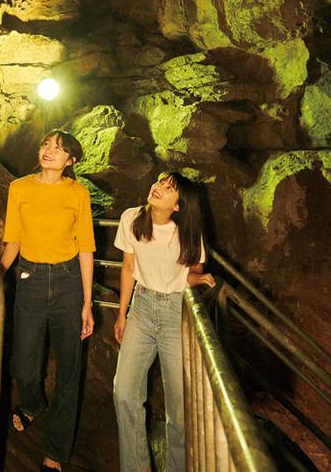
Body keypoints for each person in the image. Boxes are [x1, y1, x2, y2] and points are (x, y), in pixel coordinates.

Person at [0, 129, 96, 472]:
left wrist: (87, 303)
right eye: (45, 144)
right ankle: (32, 403)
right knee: (23, 362)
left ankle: (54, 452)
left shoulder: (78, 193)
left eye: (58, 148)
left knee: (69, 370)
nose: (48, 151)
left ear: (70, 160)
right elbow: (12, 240)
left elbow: (85, 248)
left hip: (69, 281)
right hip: (31, 279)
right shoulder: (19, 188)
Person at [113, 171, 215, 472]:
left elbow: (194, 265)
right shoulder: (131, 218)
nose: (159, 188)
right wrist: (122, 313)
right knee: (124, 392)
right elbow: (128, 268)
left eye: (169, 188)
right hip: (142, 308)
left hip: (175, 312)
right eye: (160, 182)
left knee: (179, 408)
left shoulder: (186, 231)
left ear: (179, 205)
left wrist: (197, 277)